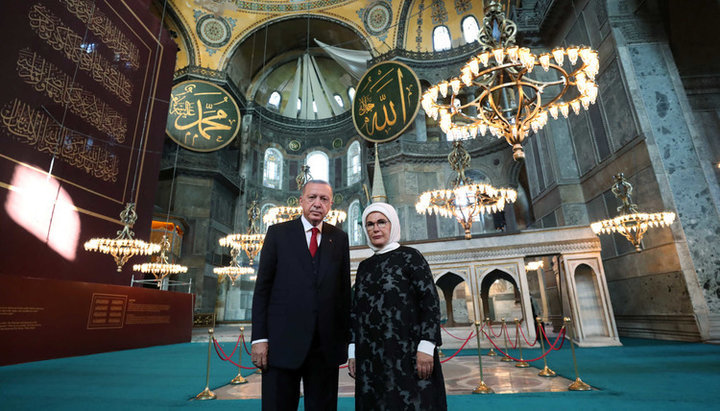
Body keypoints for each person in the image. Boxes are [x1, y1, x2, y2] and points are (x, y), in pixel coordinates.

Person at [251, 180, 351, 410]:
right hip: (281, 344)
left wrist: (348, 341)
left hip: (325, 347)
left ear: (330, 204)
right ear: (301, 201)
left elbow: (344, 294)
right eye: (312, 197)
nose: (317, 203)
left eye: (323, 199)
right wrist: (259, 338)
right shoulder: (278, 234)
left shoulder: (339, 238)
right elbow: (262, 290)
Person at [348, 202, 447, 410]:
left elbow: (429, 302)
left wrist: (427, 346)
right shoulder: (365, 267)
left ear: (392, 224)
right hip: (371, 358)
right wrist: (353, 350)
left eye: (381, 222)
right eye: (370, 224)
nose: (375, 228)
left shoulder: (410, 257)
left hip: (409, 354)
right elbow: (356, 312)